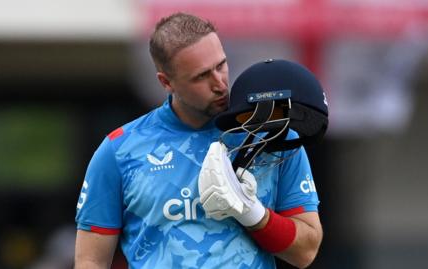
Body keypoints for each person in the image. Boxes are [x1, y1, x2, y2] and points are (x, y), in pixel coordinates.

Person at [74, 12, 323, 269]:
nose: (220, 84)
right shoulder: (119, 150)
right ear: (166, 82)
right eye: (201, 76)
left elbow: (306, 252)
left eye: (221, 65)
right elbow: (91, 261)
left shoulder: (273, 135)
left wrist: (254, 214)